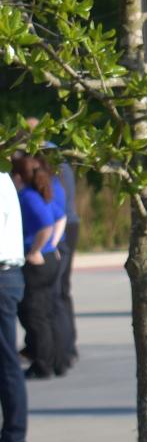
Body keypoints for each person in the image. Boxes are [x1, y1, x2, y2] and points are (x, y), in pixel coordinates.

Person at [9, 153, 71, 380]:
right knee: (48, 312)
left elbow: (46, 224)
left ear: (17, 176)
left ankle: (43, 364)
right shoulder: (40, 193)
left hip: (36, 264)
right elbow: (59, 218)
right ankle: (58, 360)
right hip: (49, 260)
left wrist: (36, 249)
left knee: (35, 316)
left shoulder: (27, 197)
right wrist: (52, 245)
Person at [0, 165, 26, 442]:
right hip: (8, 275)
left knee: (6, 362)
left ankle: (14, 437)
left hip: (3, 274)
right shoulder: (6, 180)